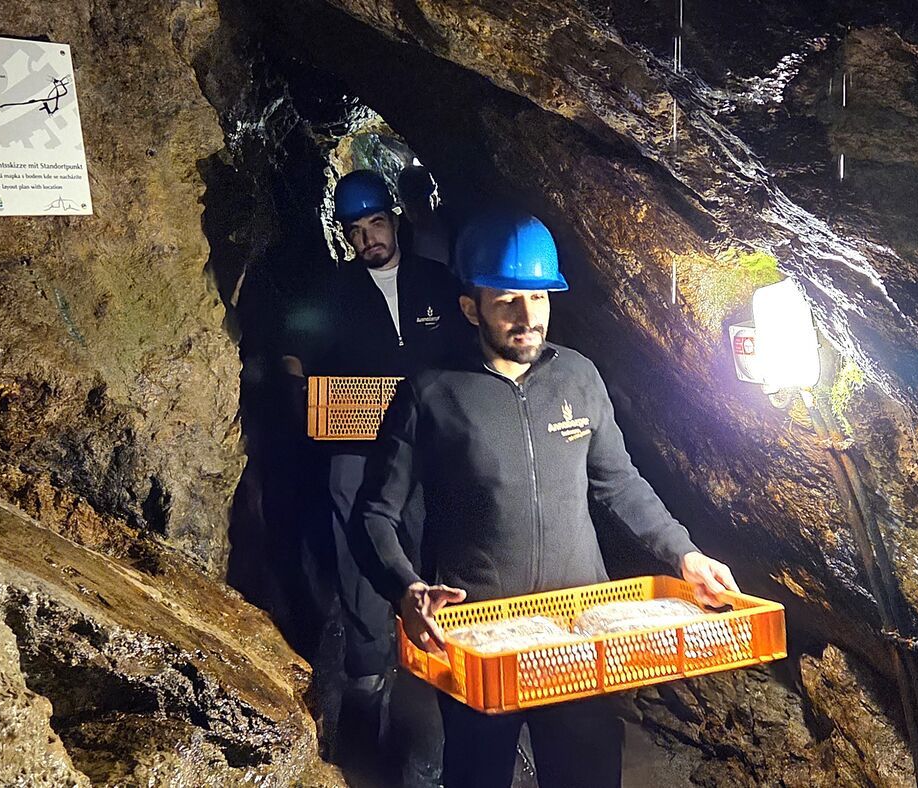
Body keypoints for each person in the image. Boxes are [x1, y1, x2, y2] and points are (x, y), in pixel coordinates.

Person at [348, 209, 739, 788]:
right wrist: (405, 588)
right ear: (469, 306)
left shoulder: (579, 378)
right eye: (506, 300)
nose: (527, 317)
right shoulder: (431, 392)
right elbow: (374, 514)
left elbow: (619, 481)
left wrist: (684, 554)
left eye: (540, 298)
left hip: (579, 631)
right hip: (478, 634)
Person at [281, 169, 467, 782]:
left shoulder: (435, 282)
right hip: (355, 442)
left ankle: (435, 665)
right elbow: (296, 342)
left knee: (429, 551)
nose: (369, 240)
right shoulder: (334, 289)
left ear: (395, 219)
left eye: (376, 224)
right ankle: (365, 676)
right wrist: (294, 373)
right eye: (356, 231)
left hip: (427, 448)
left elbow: (470, 351)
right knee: (359, 549)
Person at [396, 164, 452, 267]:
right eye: (412, 206)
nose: (417, 213)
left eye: (422, 204)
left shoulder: (450, 221)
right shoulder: (400, 235)